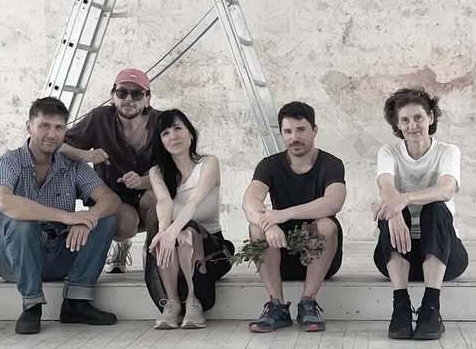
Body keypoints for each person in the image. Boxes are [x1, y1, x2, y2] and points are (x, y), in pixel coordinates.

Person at [0, 96, 121, 334]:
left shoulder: (72, 166)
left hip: (58, 254)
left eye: (59, 127)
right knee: (22, 224)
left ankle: (76, 302)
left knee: (106, 218)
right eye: (44, 126)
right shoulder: (7, 163)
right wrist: (67, 217)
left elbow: (110, 199)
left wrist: (88, 218)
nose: (52, 134)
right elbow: (5, 202)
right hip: (13, 259)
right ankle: (31, 306)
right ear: (29, 127)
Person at [373, 86, 468, 340]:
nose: (412, 125)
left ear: (431, 118)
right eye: (404, 120)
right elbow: (385, 185)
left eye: (418, 117)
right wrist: (394, 212)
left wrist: (404, 199)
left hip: (444, 255)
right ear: (397, 124)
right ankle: (401, 308)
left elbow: (446, 190)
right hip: (398, 256)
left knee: (435, 207)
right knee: (389, 213)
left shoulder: (448, 151)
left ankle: (431, 308)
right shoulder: (389, 152)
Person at [241, 101, 346, 333]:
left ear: (314, 130)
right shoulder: (269, 165)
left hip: (321, 257)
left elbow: (334, 202)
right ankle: (276, 306)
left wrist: (282, 214)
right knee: (256, 227)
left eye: (301, 130)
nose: (294, 137)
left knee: (327, 225)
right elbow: (250, 201)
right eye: (287, 131)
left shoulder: (331, 164)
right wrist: (268, 224)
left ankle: (308, 303)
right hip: (281, 256)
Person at [61, 67, 160, 273]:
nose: (129, 99)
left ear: (147, 98)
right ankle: (121, 244)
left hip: (151, 194)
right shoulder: (99, 117)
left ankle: (154, 252)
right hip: (116, 199)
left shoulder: (162, 122)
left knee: (156, 198)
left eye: (137, 93)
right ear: (112, 96)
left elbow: (178, 167)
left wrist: (143, 181)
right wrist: (87, 155)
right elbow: (59, 145)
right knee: (125, 224)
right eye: (122, 92)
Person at [145, 109, 232, 330]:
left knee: (187, 230)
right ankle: (173, 303)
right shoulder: (157, 172)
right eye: (165, 133)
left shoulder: (208, 163)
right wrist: (164, 232)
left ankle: (194, 302)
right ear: (161, 141)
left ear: (190, 134)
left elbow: (194, 202)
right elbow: (163, 203)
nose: (172, 136)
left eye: (177, 128)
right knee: (159, 229)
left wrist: (173, 231)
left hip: (211, 248)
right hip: (177, 247)